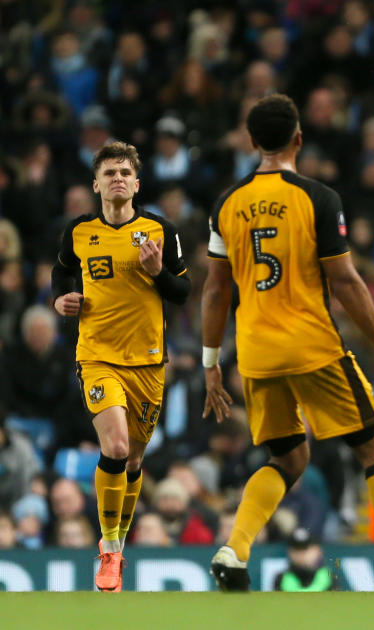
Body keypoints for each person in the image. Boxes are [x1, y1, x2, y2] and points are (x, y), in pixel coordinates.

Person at [202, 94, 374, 594]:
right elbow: (344, 280)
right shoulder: (318, 197)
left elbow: (214, 289)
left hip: (254, 352)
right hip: (310, 345)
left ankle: (235, 548)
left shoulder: (226, 204)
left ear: (253, 142)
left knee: (289, 459)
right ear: (298, 138)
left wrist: (212, 364)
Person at [51, 141, 190, 592]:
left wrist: (156, 272)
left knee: (132, 459)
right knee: (114, 446)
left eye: (124, 172)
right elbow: (62, 271)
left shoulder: (160, 231)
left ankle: (119, 543)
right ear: (96, 184)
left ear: (136, 183)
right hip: (96, 356)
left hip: (148, 362)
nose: (117, 178)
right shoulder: (78, 231)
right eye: (109, 172)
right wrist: (61, 298)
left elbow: (183, 293)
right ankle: (109, 549)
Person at [273, 527, 337, 592]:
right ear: (289, 552)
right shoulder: (282, 579)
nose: (300, 554)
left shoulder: (329, 577)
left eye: (305, 549)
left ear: (317, 550)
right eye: (296, 549)